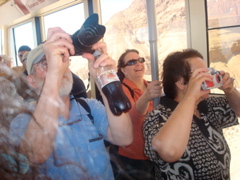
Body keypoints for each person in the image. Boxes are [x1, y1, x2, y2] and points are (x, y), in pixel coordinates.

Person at [9, 27, 133, 179]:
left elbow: (124, 138)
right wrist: (54, 74)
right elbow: (35, 155)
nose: (59, 68)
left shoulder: (90, 108)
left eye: (61, 61)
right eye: (44, 64)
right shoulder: (23, 120)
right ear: (32, 81)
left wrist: (104, 79)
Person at [143, 49, 240, 179]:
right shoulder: (157, 117)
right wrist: (191, 97)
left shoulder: (208, 106)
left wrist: (230, 90)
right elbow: (169, 152)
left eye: (208, 71)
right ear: (181, 82)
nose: (209, 77)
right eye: (201, 74)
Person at [110, 49, 162, 179]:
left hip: (155, 152)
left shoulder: (152, 87)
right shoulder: (120, 91)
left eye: (140, 60)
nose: (138, 64)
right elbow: (131, 119)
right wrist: (146, 97)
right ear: (123, 70)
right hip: (133, 156)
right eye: (132, 62)